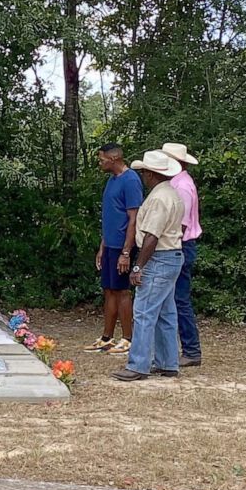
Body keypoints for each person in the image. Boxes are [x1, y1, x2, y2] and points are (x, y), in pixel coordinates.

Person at [113, 150, 184, 382]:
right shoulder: (172, 194)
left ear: (151, 174)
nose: (143, 176)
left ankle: (138, 365)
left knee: (143, 312)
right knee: (165, 312)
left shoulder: (157, 199)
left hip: (159, 257)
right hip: (173, 254)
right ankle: (167, 362)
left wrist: (138, 267)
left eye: (144, 172)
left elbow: (152, 236)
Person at [85, 143, 143, 354]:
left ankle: (128, 339)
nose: (100, 163)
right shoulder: (111, 181)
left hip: (123, 246)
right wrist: (103, 246)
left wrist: (126, 252)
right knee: (109, 290)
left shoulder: (131, 181)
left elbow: (133, 219)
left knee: (122, 292)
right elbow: (110, 217)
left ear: (115, 158)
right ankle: (106, 337)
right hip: (110, 245)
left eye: (102, 159)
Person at [161, 142, 202, 367]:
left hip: (180, 246)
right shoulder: (180, 184)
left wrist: (170, 247)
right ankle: (187, 348)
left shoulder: (181, 187)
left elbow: (182, 225)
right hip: (181, 245)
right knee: (177, 299)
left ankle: (191, 349)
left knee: (179, 300)